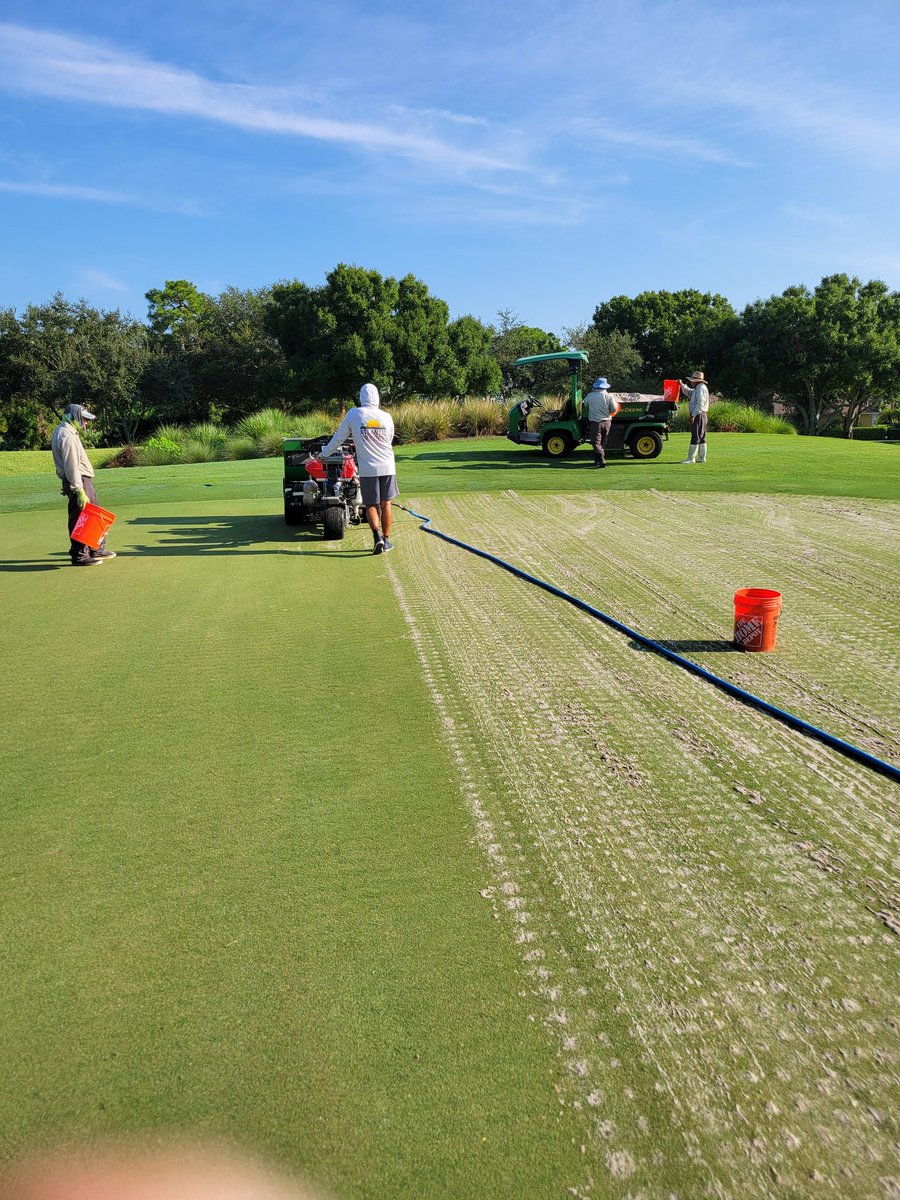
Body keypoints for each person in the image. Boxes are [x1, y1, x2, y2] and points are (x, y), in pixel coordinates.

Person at [318, 383, 397, 554]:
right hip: (388, 465)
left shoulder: (354, 414)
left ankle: (377, 537)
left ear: (361, 398)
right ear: (377, 398)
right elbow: (389, 439)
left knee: (371, 504)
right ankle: (386, 539)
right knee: (386, 504)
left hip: (369, 468)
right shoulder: (386, 416)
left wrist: (324, 454)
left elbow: (339, 438)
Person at [50, 403, 116, 566]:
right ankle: (80, 555)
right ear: (73, 417)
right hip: (78, 480)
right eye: (83, 419)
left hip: (82, 479)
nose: (85, 423)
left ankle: (96, 549)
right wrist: (79, 490)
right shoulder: (67, 435)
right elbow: (71, 466)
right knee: (80, 517)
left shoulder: (68, 432)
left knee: (93, 516)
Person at [582, 377, 621, 468]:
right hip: (607, 422)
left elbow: (585, 404)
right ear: (605, 387)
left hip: (595, 422)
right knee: (603, 442)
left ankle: (601, 460)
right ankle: (598, 461)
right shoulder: (609, 396)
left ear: (596, 386)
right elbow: (614, 409)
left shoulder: (590, 395)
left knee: (595, 442)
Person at [679, 370, 710, 463]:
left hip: (699, 414)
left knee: (696, 435)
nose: (691, 382)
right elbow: (689, 392)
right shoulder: (699, 388)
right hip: (700, 414)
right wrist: (681, 384)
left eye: (692, 380)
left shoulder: (701, 389)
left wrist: (693, 415)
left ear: (697, 381)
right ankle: (701, 458)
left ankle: (691, 458)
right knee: (701, 436)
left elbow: (700, 404)